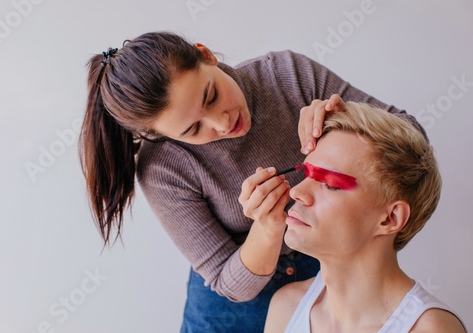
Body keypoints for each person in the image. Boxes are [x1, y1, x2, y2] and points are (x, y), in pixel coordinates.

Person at [78, 31, 425, 332]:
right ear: (161, 136)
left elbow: (414, 140)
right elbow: (230, 284)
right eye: (192, 129)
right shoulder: (163, 169)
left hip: (322, 273)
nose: (222, 122)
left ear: (206, 55)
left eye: (211, 96)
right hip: (231, 310)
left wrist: (348, 120)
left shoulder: (287, 74)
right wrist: (266, 228)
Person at [264, 102, 467, 333]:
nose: (296, 192)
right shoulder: (286, 308)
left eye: (330, 184)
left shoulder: (429, 329)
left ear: (390, 218)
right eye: (306, 174)